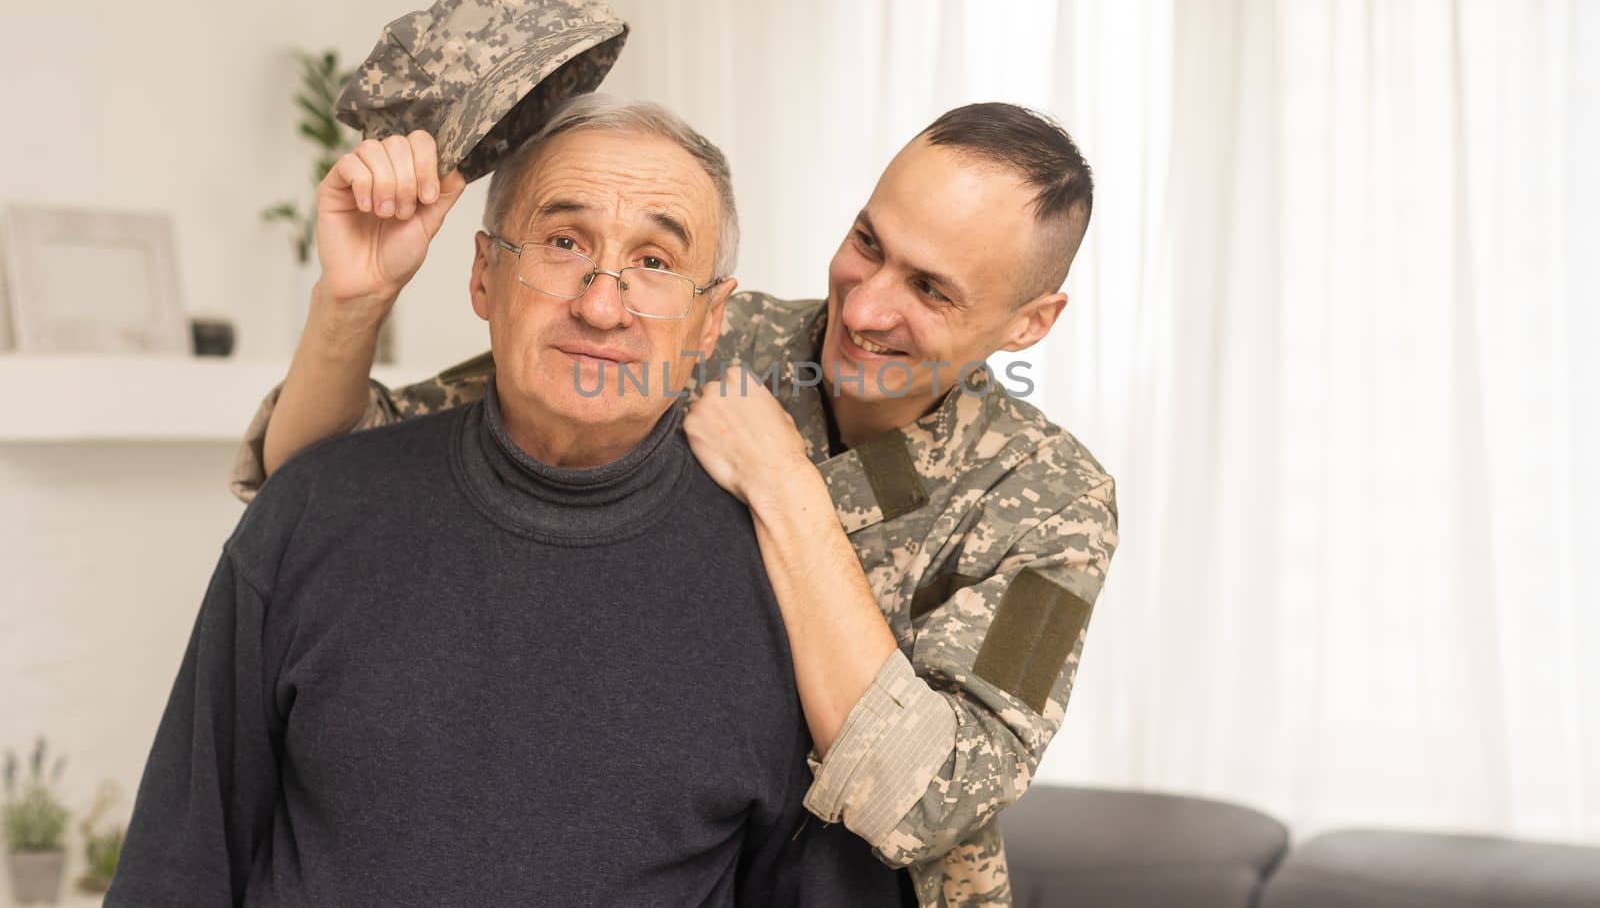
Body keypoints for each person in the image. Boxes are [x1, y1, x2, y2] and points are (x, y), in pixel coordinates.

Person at [235, 99, 1120, 908]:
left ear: (1029, 323)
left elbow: (930, 799)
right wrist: (352, 301)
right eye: (867, 242)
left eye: (930, 288)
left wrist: (785, 487)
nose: (869, 305)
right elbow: (336, 480)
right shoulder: (698, 326)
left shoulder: (1056, 505)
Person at [108, 97, 902, 906]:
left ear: (710, 320)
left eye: (656, 263)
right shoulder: (312, 506)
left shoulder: (782, 577)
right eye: (563, 243)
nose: (601, 305)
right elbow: (180, 861)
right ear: (485, 274)